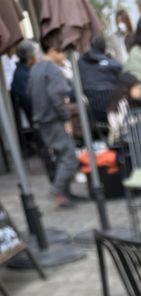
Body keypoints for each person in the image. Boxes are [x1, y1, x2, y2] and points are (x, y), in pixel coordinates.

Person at [28, 41, 78, 207]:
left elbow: (30, 92)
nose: (64, 54)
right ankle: (59, 191)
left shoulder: (35, 68)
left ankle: (65, 193)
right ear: (52, 50)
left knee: (61, 156)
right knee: (68, 156)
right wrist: (66, 117)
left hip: (42, 119)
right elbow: (57, 97)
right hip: (54, 118)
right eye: (61, 51)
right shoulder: (52, 70)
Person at [10, 40, 37, 124]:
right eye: (35, 54)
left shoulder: (25, 72)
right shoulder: (21, 76)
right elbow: (29, 102)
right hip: (34, 121)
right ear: (30, 57)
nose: (36, 56)